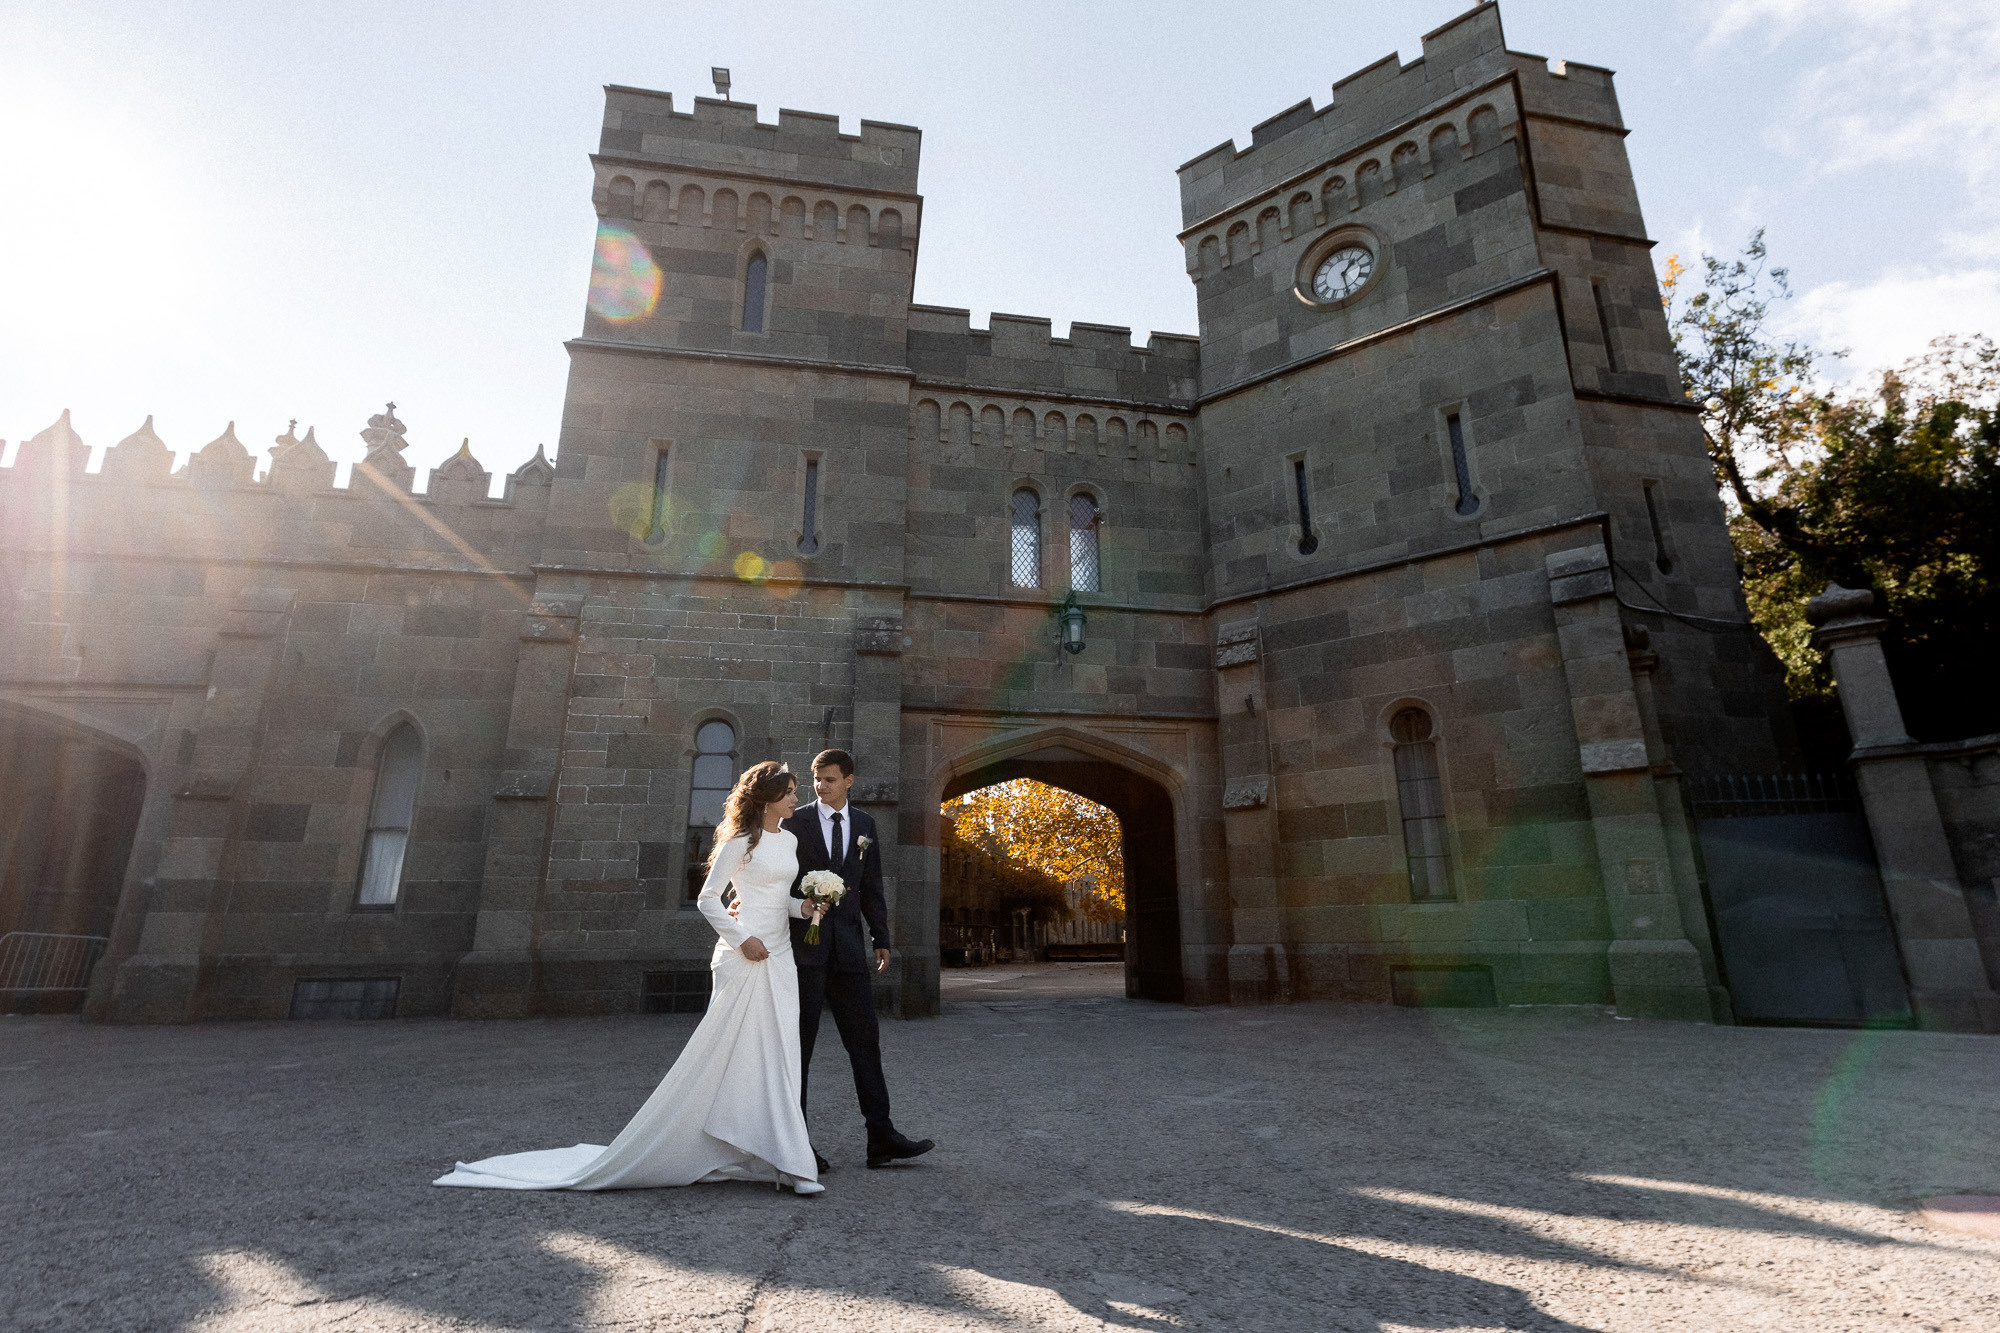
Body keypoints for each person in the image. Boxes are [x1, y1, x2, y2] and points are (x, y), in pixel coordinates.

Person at [433, 761, 827, 1195]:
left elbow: (779, 898)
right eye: (789, 791)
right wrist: (741, 939)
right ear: (768, 798)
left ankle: (769, 1152)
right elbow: (708, 899)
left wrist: (804, 909)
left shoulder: (789, 839)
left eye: (794, 791)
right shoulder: (740, 841)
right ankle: (780, 1159)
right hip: (745, 955)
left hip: (781, 955)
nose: (796, 798)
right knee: (729, 1050)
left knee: (781, 1050)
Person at [783, 748, 933, 1171]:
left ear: (849, 780)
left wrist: (880, 936)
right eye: (817, 778)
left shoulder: (866, 825)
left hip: (850, 951)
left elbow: (871, 887)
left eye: (829, 779)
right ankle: (796, 1144)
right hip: (803, 952)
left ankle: (881, 1137)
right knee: (800, 1048)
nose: (820, 786)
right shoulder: (795, 821)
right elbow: (778, 877)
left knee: (866, 1043)